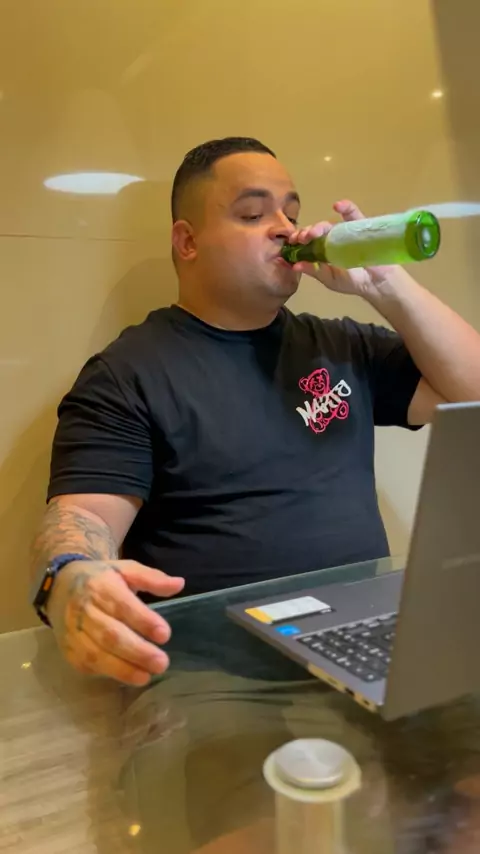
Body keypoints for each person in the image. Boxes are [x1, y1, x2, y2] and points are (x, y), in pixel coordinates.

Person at [30, 136, 480, 688]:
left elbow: (472, 394)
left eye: (291, 212)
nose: (285, 229)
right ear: (187, 241)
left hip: (364, 643)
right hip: (219, 675)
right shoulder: (128, 373)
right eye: (252, 214)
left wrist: (387, 286)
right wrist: (71, 575)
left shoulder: (341, 346)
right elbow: (85, 518)